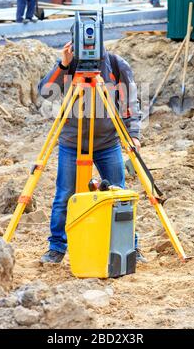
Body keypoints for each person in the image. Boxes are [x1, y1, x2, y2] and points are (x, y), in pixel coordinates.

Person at [38, 41, 147, 264]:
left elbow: (130, 102)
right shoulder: (68, 66)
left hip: (107, 142)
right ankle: (57, 247)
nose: (88, 41)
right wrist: (63, 65)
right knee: (64, 196)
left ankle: (128, 246)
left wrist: (133, 133)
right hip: (71, 142)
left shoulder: (115, 65)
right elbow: (45, 93)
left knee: (119, 194)